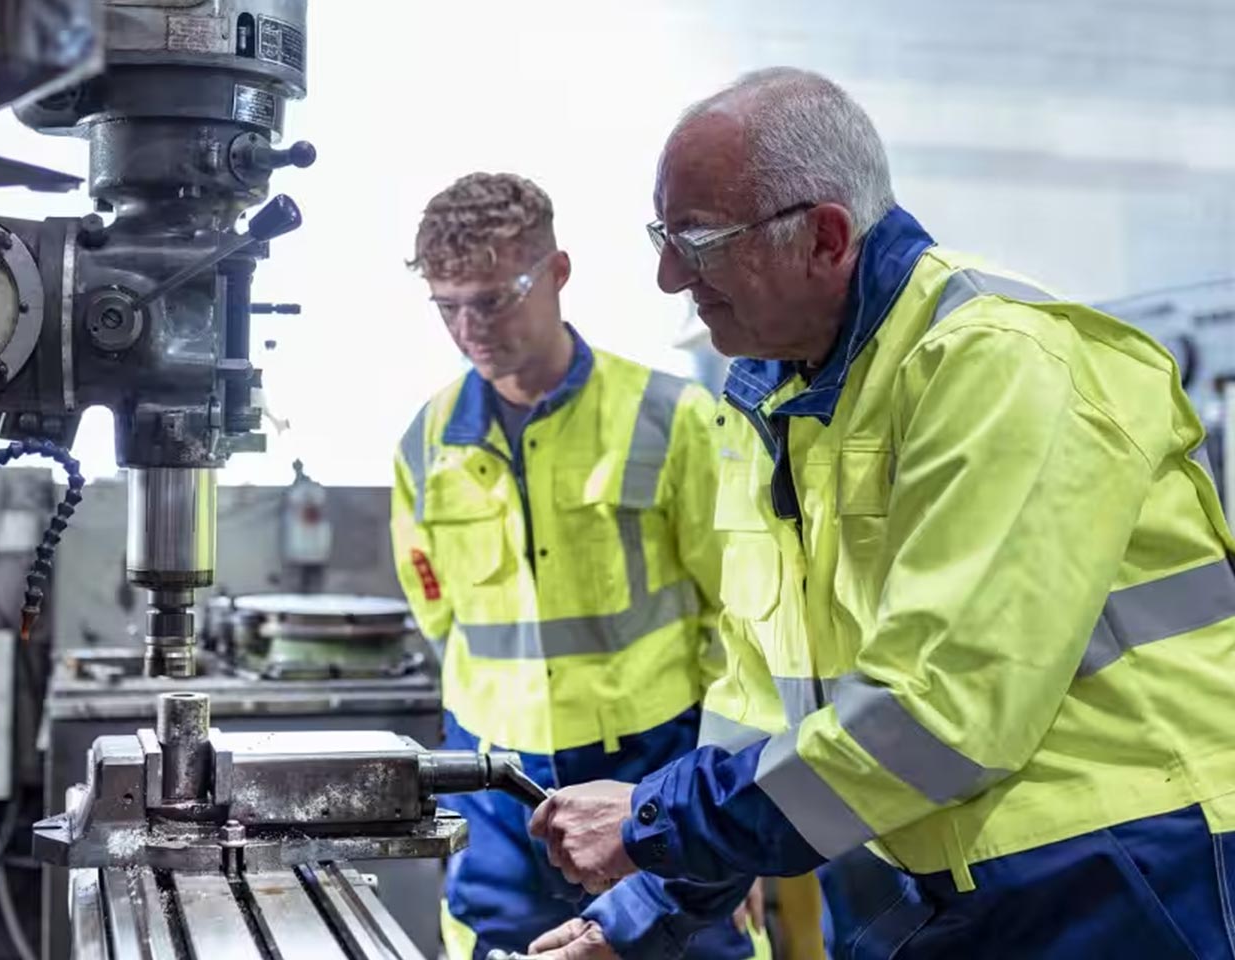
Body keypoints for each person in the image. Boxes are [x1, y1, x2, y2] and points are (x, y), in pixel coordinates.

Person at [527, 67, 1235, 959]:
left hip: (1111, 874)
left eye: (699, 239)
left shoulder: (996, 361)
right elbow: (760, 704)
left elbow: (943, 714)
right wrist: (642, 913)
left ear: (824, 238)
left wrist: (656, 822)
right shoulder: (774, 404)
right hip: (917, 877)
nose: (671, 275)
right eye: (664, 235)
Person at [390, 172, 763, 960]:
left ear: (557, 272)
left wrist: (735, 801)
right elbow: (440, 615)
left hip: (655, 771)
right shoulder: (426, 444)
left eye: (491, 299)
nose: (470, 328)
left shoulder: (675, 420)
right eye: (447, 306)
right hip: (494, 789)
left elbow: (747, 621)